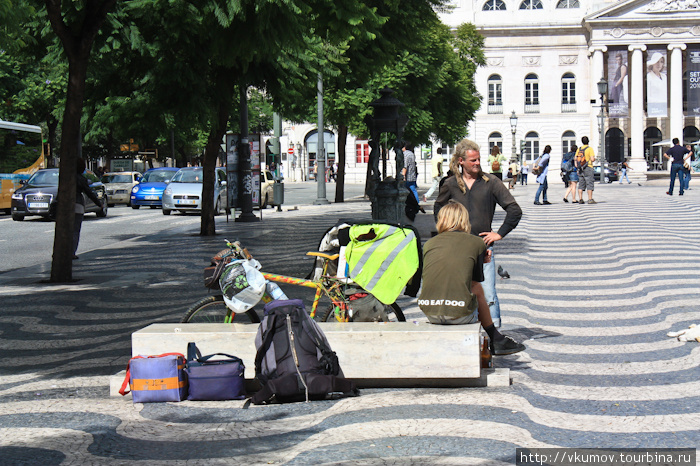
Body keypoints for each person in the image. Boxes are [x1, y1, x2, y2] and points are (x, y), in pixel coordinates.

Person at [434, 138, 522, 328]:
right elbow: (438, 209)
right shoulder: (450, 184)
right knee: (460, 291)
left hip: (483, 249)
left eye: (478, 159)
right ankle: (469, 332)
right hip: (456, 250)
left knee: (488, 293)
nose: (477, 163)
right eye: (472, 160)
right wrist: (445, 234)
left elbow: (514, 210)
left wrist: (499, 234)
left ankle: (494, 334)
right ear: (461, 161)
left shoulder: (490, 182)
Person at [419, 201, 525, 355]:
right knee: (477, 289)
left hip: (430, 311)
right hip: (459, 314)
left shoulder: (429, 244)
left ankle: (495, 338)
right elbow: (475, 282)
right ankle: (496, 338)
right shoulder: (476, 242)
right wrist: (483, 260)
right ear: (464, 219)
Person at [74, 157, 103, 260]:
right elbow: (89, 192)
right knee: (75, 230)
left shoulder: (65, 178)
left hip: (65, 206)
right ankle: (72, 252)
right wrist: (99, 203)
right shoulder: (82, 179)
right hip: (78, 204)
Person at [646, 52, 667, 117]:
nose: (659, 64)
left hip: (665, 110)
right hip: (654, 110)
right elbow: (648, 97)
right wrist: (661, 101)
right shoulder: (648, 77)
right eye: (657, 62)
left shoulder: (664, 76)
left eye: (661, 62)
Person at [576, 136, 596, 204]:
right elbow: (592, 159)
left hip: (580, 168)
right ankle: (590, 199)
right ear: (588, 141)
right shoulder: (590, 149)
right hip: (588, 167)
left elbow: (576, 158)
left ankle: (580, 199)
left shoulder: (579, 149)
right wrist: (593, 159)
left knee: (581, 183)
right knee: (589, 183)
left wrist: (577, 166)